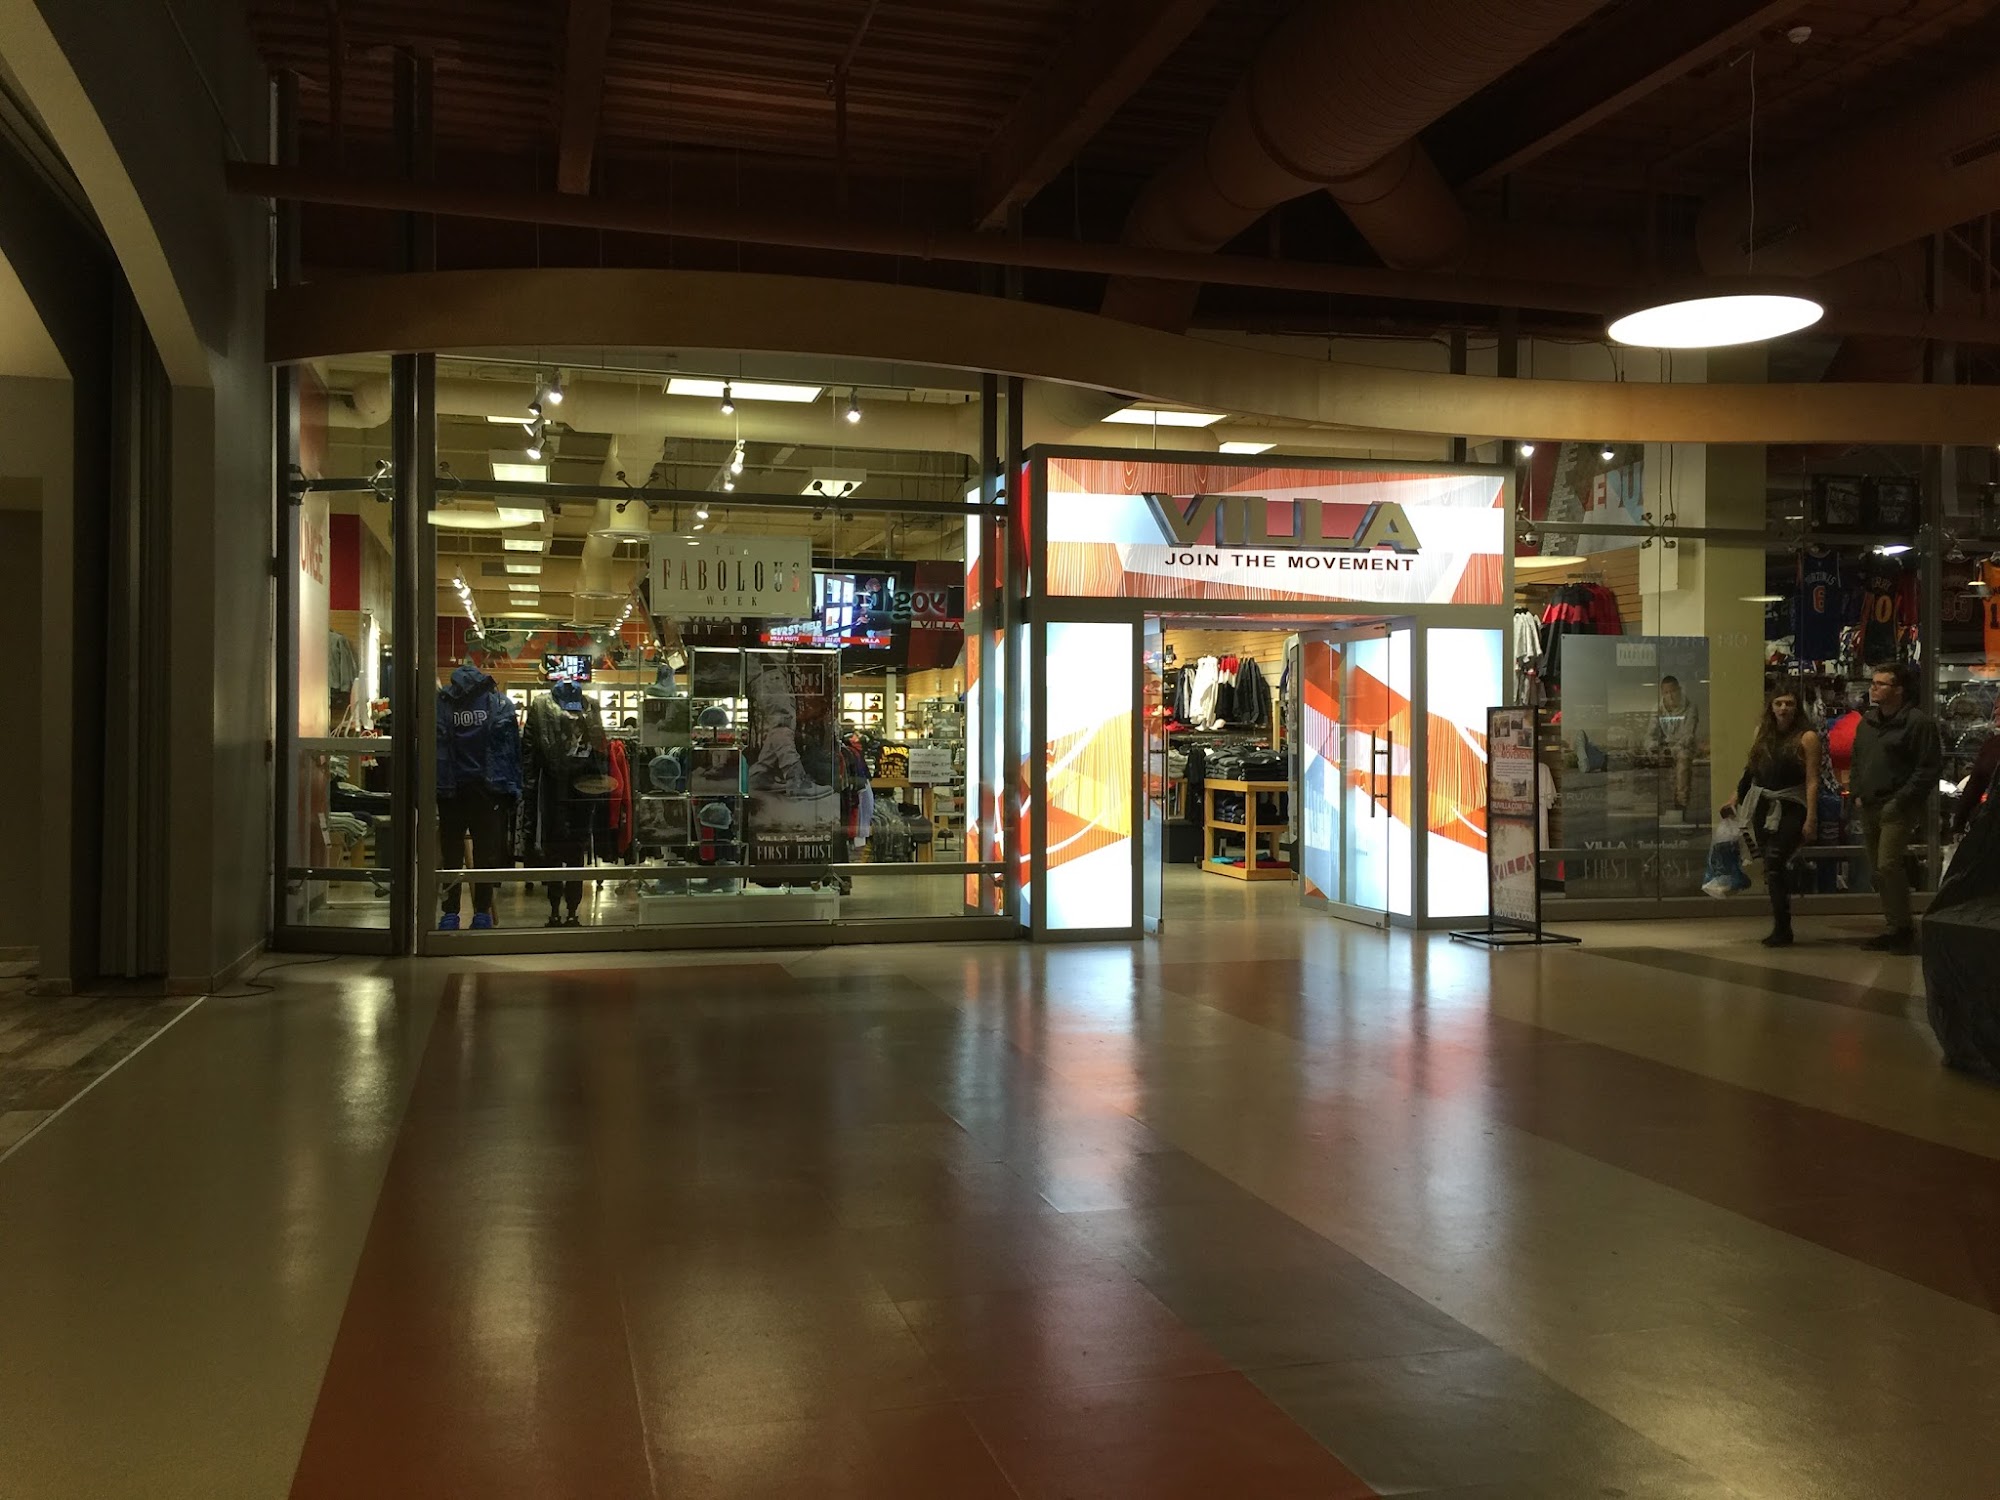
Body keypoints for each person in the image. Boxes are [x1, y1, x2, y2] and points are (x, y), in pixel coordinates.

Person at [1849, 663, 1942, 952]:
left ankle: (1903, 927)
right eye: (1873, 683)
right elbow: (1857, 759)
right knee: (1878, 870)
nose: (1873, 688)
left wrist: (1901, 800)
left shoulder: (1917, 723)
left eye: (1881, 684)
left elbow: (1928, 767)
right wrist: (1857, 792)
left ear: (1899, 689)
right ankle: (1893, 925)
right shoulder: (1867, 723)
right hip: (1869, 803)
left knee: (1888, 864)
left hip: (1897, 805)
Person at [1720, 687, 1820, 947]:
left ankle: (1783, 927)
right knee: (1770, 865)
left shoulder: (1807, 738)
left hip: (1792, 805)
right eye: (1779, 703)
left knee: (1775, 861)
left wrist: (1811, 817)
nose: (1783, 708)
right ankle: (1781, 924)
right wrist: (1734, 798)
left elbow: (1812, 780)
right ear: (1771, 707)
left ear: (1797, 708)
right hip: (1763, 805)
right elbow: (1750, 771)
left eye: (1789, 703)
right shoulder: (1762, 734)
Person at [1649, 675, 1702, 822]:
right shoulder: (1657, 709)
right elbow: (1650, 734)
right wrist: (1653, 747)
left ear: (1679, 690)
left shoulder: (1690, 707)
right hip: (1664, 748)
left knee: (1682, 768)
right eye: (1666, 692)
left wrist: (1672, 750)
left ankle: (1681, 809)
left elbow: (1688, 735)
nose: (1670, 696)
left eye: (1673, 691)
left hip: (1683, 747)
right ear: (1662, 693)